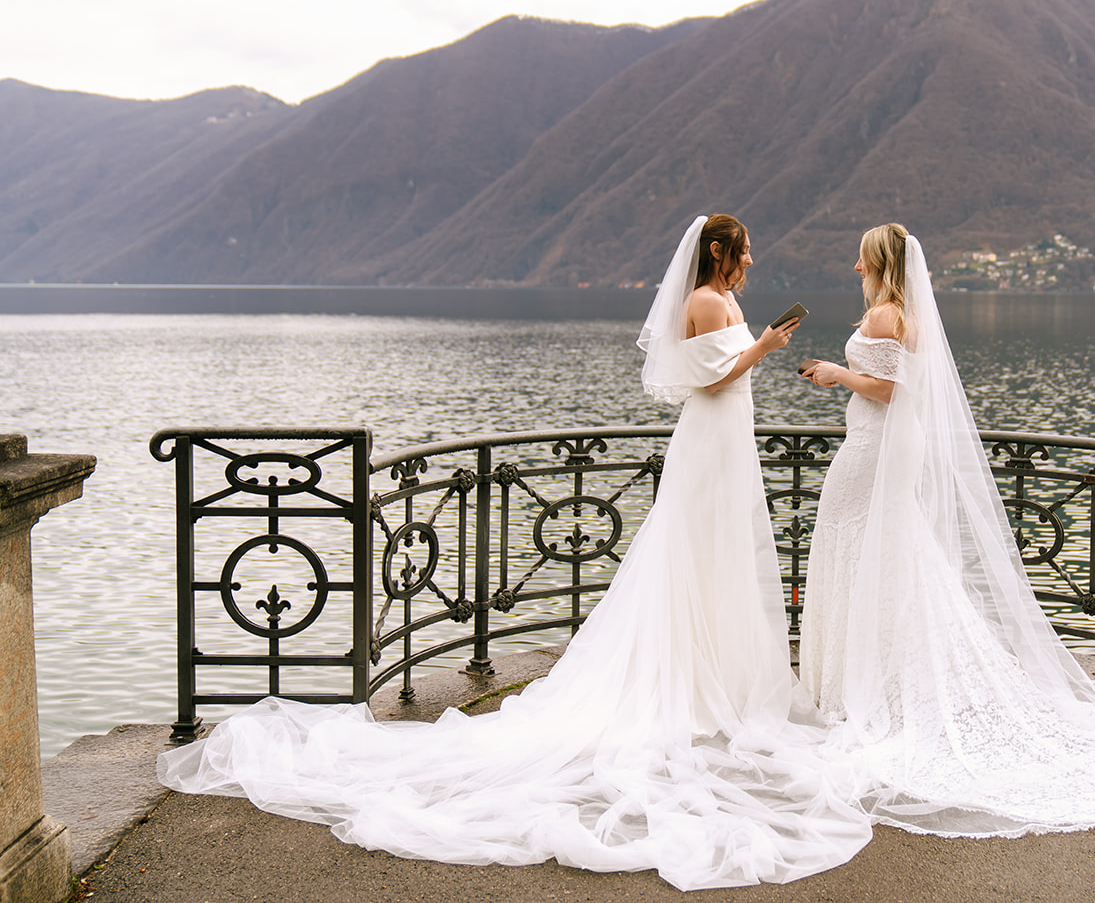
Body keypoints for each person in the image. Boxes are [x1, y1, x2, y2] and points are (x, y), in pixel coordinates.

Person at [157, 214, 872, 891]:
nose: (751, 259)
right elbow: (713, 379)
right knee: (699, 557)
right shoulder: (712, 303)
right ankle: (699, 683)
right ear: (720, 253)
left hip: (716, 443)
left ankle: (704, 675)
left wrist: (755, 350)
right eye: (743, 249)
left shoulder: (710, 299)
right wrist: (765, 348)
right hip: (713, 440)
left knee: (703, 560)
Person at [799, 223, 1095, 836]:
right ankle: (882, 674)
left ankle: (866, 687)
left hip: (875, 447)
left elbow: (886, 388)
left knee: (863, 543)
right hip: (889, 445)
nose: (855, 267)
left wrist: (833, 373)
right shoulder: (907, 316)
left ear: (879, 263)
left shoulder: (883, 317)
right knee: (890, 548)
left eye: (861, 258)